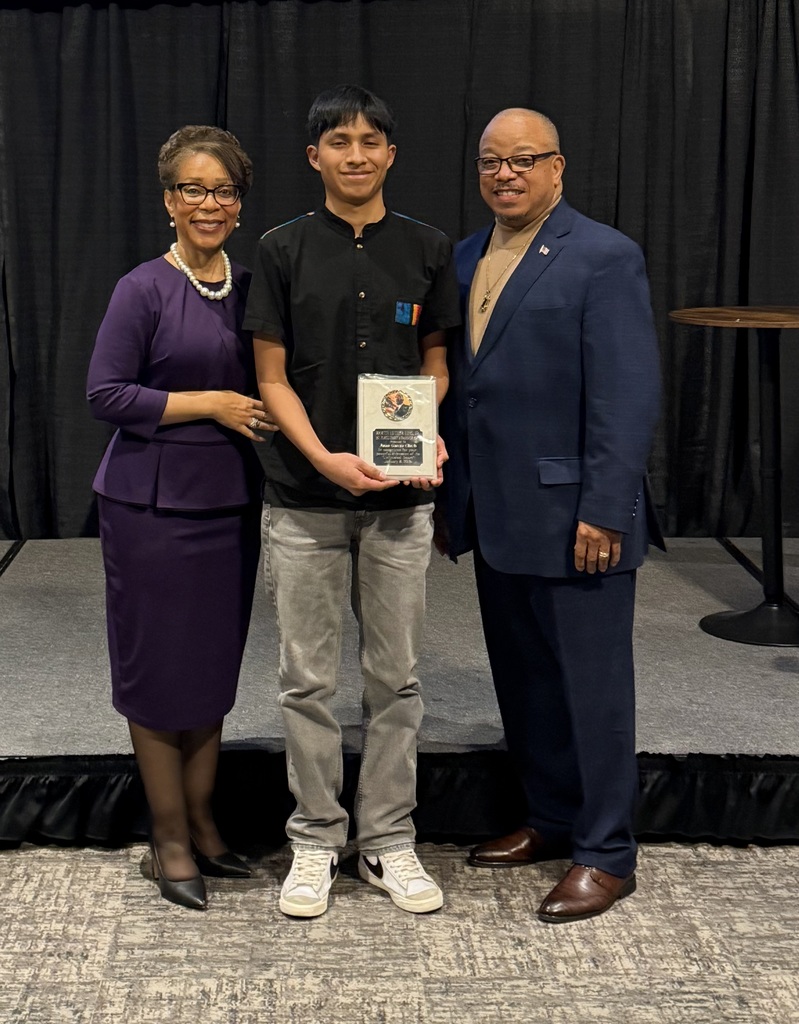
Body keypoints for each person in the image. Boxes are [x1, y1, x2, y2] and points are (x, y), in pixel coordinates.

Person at [438, 108, 664, 923]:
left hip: (578, 519)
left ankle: (606, 853)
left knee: (593, 693)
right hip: (496, 515)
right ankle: (551, 817)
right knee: (527, 682)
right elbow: (464, 392)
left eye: (523, 159)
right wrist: (449, 498)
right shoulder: (464, 257)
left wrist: (605, 507)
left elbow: (625, 394)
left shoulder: (603, 255)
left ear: (557, 167)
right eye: (490, 161)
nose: (505, 174)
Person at [243, 85, 460, 918]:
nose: (356, 155)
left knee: (395, 680)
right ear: (315, 157)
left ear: (391, 154)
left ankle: (387, 840)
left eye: (371, 141)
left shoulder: (428, 248)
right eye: (340, 142)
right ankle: (313, 839)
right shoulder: (281, 249)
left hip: (400, 505)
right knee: (305, 682)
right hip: (304, 501)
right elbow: (269, 377)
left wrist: (427, 428)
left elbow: (435, 359)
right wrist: (323, 460)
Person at [87, 125, 272, 910]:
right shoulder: (142, 288)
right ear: (169, 201)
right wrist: (211, 405)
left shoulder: (254, 286)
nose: (209, 203)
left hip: (228, 504)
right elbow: (105, 393)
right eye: (193, 189)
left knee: (208, 671)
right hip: (150, 509)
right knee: (157, 674)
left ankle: (202, 824)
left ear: (239, 202)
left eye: (223, 190)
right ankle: (166, 840)